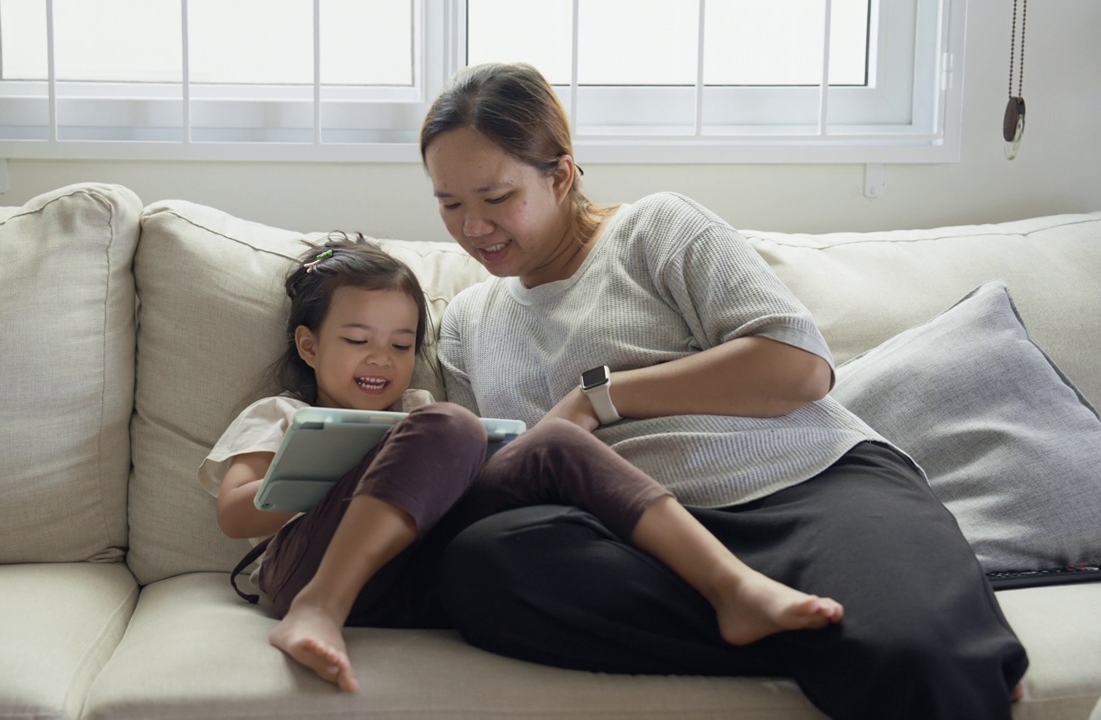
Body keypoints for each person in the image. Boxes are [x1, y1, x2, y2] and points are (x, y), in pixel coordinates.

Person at [419, 62, 1029, 720]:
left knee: (917, 659)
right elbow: (487, 476)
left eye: (496, 197)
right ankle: (830, 633)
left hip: (805, 485)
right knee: (482, 567)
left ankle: (883, 636)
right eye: (450, 204)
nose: (472, 227)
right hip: (640, 540)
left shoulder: (656, 229)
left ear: (560, 175)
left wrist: (599, 398)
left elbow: (797, 366)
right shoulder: (467, 323)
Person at [201, 233, 847, 694]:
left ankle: (732, 587)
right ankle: (322, 609)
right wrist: (344, 471)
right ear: (310, 346)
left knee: (552, 441)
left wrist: (428, 458)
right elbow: (236, 515)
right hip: (305, 570)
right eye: (357, 341)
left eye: (401, 344)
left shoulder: (423, 406)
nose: (381, 360)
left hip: (413, 575)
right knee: (449, 425)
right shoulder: (280, 414)